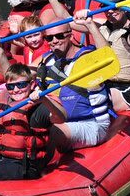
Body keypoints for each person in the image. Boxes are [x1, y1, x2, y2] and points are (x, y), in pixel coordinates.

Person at [31, 21, 112, 152]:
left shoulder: (86, 58)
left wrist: (90, 25)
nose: (54, 41)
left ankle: (41, 168)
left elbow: (107, 60)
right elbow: (19, 76)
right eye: (49, 38)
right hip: (66, 120)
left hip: (92, 124)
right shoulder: (50, 60)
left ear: (70, 35)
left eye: (60, 36)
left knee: (57, 131)